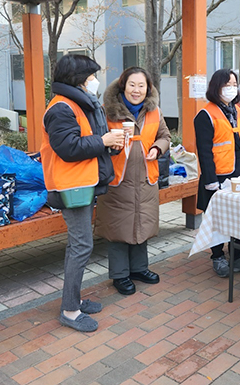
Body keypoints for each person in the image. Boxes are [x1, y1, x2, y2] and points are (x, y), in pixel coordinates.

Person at [40, 54, 124, 332]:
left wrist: (110, 144)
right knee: (81, 246)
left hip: (83, 183)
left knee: (79, 246)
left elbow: (88, 142)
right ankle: (70, 310)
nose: (95, 81)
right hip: (71, 186)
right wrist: (103, 140)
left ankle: (72, 298)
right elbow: (68, 148)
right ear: (78, 79)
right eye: (90, 76)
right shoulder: (61, 108)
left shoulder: (79, 103)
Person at [95, 67, 171, 296]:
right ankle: (120, 275)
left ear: (148, 88)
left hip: (146, 178)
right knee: (119, 228)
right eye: (132, 85)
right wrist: (109, 144)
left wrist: (158, 149)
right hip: (117, 179)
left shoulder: (154, 111)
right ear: (123, 86)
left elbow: (164, 136)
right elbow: (95, 141)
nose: (137, 90)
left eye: (141, 86)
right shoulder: (106, 111)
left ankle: (139, 268)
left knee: (142, 224)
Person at [194, 69, 240, 278]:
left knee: (239, 216)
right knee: (216, 218)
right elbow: (204, 151)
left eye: (234, 84)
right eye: (227, 84)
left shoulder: (238, 111)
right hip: (218, 175)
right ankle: (217, 256)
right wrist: (211, 181)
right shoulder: (205, 114)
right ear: (217, 87)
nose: (232, 88)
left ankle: (237, 256)